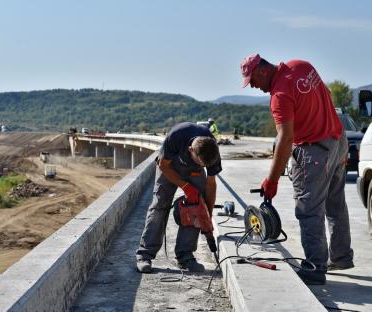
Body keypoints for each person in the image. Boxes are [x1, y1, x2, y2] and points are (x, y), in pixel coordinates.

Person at [240, 53, 353, 285]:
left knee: (309, 210)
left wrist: (271, 181)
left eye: (253, 81)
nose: (254, 87)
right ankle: (341, 257)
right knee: (335, 204)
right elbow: (327, 95)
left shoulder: (279, 95)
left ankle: (315, 268)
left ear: (262, 70)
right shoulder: (302, 66)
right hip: (337, 139)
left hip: (313, 153)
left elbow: (285, 137)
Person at [136, 122, 222, 273]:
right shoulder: (177, 136)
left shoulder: (211, 149)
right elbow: (163, 165)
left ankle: (185, 257)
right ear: (190, 150)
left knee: (196, 206)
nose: (203, 166)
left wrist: (206, 215)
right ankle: (145, 255)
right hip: (169, 166)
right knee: (159, 206)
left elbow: (211, 184)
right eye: (200, 162)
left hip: (193, 172)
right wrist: (185, 186)